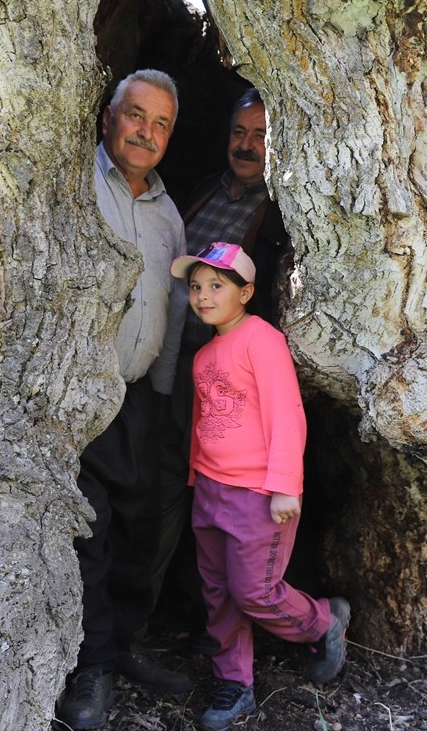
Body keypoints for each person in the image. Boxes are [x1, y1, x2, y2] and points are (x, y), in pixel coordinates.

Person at [57, 69, 191, 731]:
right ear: (109, 115)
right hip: (81, 394)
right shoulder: (76, 184)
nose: (146, 132)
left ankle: (127, 642)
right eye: (136, 115)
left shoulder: (168, 214)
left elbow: (175, 307)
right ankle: (92, 666)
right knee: (91, 531)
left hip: (141, 398)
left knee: (142, 527)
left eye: (161, 123)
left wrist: (162, 398)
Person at [169, 241, 349, 731]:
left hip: (258, 493)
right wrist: (196, 477)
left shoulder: (261, 340)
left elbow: (285, 413)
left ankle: (323, 621)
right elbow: (204, 423)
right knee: (218, 591)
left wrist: (285, 485)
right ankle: (235, 684)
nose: (204, 296)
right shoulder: (204, 355)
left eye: (217, 285)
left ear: (246, 292)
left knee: (255, 591)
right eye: (196, 287)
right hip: (211, 490)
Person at [149, 88, 291, 619]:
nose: (247, 145)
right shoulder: (206, 189)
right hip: (172, 362)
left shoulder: (281, 210)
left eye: (261, 136)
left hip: (231, 378)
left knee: (214, 492)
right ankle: (167, 603)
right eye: (239, 132)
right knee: (168, 480)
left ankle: (214, 605)